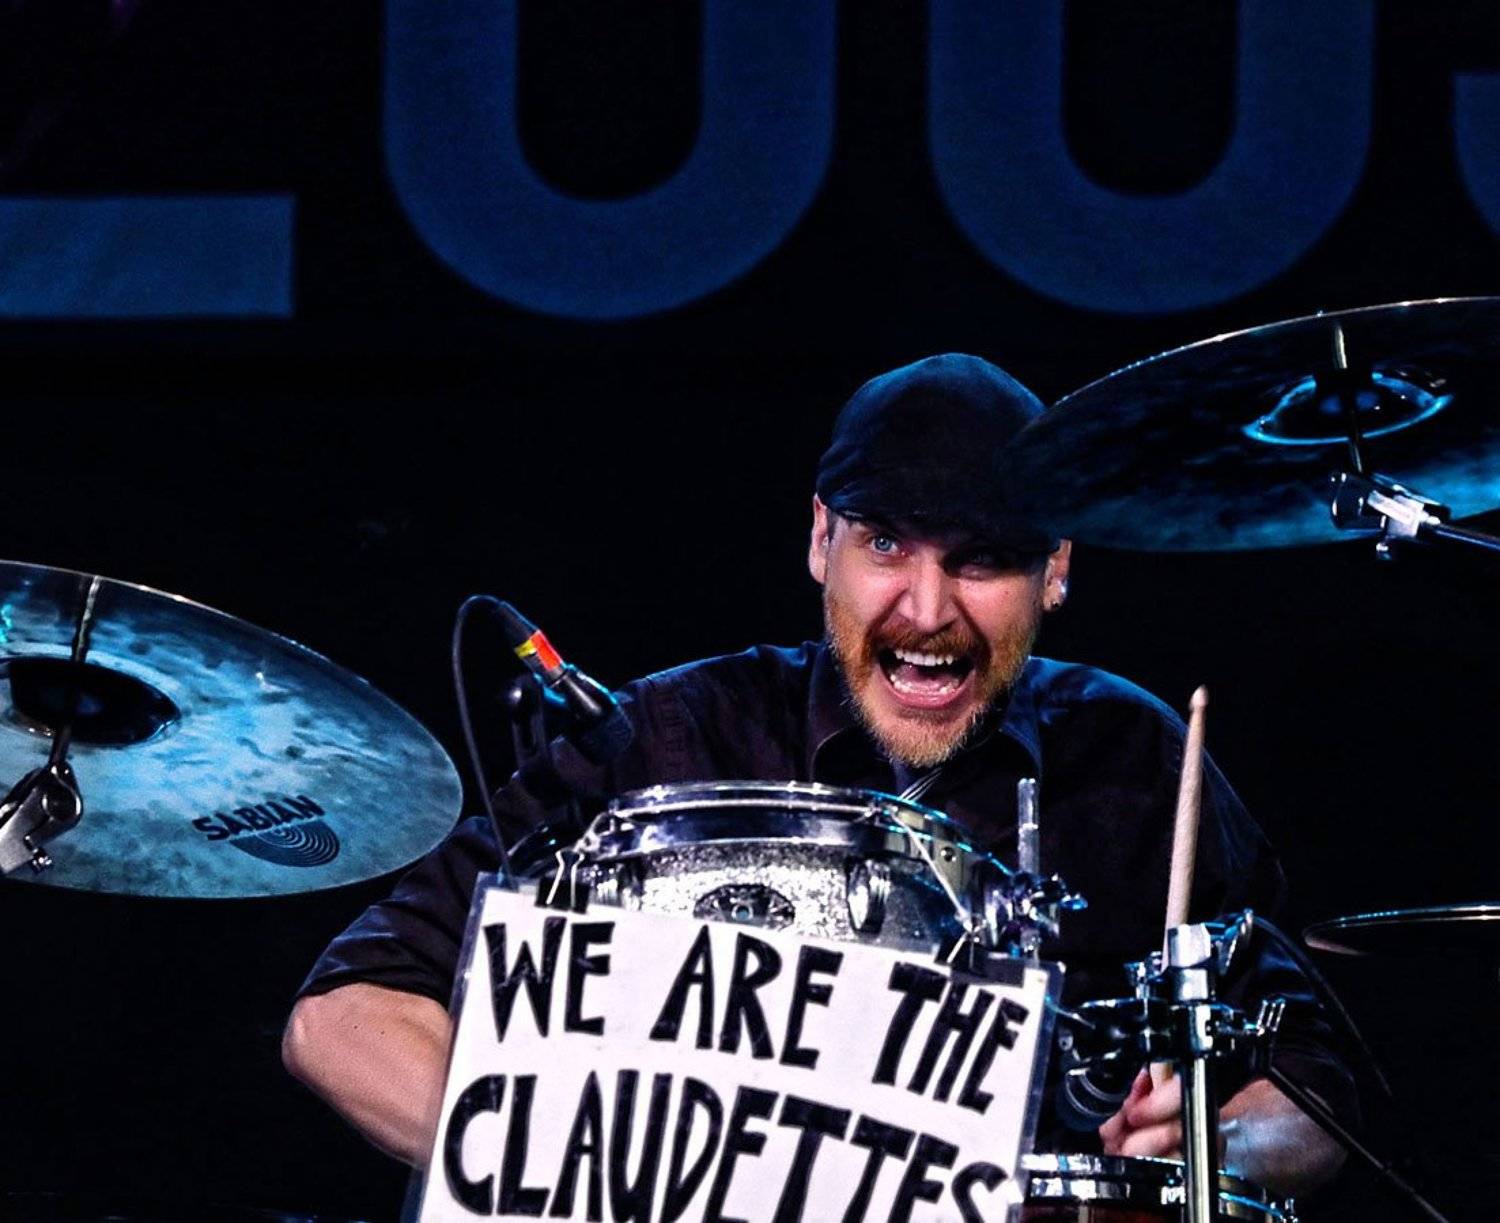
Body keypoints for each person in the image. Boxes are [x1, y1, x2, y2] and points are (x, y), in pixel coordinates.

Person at [283, 354, 1354, 1196]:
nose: (928, 609)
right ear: (819, 542)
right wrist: (575, 1166)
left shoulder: (1136, 758)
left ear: (1057, 568)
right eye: (885, 545)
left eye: (981, 558)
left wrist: (1212, 1142)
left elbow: (1318, 1090)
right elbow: (343, 1015)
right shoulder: (665, 739)